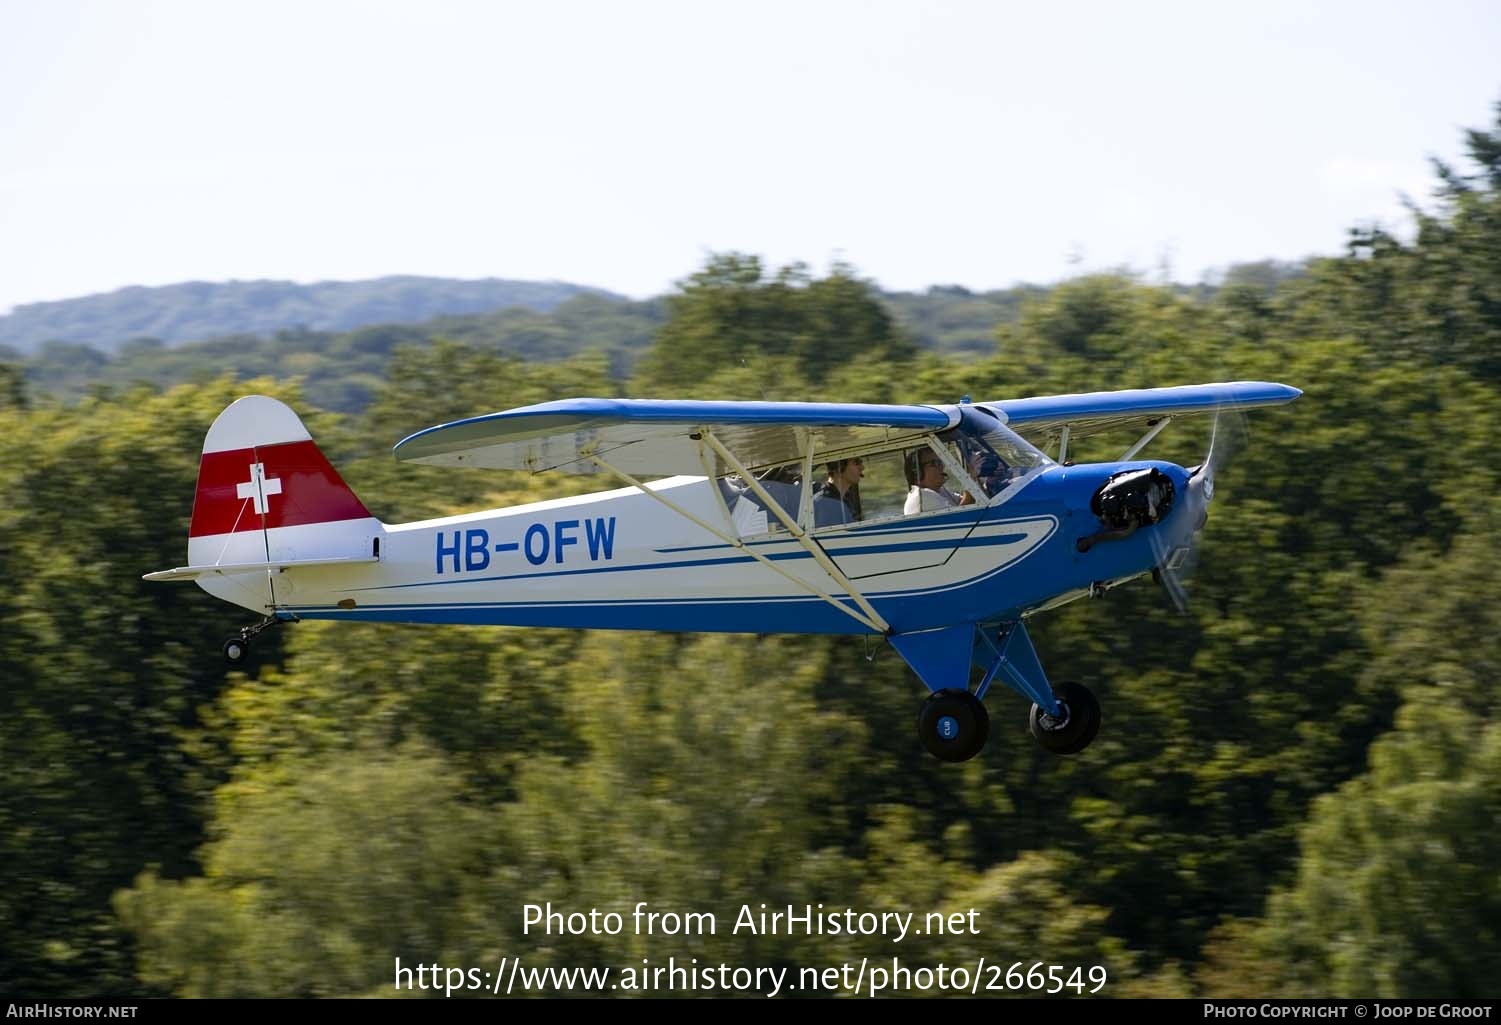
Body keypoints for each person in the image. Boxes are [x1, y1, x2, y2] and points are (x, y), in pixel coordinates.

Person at [904, 449, 973, 514]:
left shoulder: (940, 491)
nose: (942, 466)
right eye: (935, 463)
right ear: (917, 473)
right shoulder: (923, 495)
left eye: (940, 462)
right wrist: (971, 480)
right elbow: (959, 517)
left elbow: (967, 500)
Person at [815, 457, 864, 522]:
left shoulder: (844, 499)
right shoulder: (826, 502)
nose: (862, 467)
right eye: (856, 463)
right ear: (839, 468)